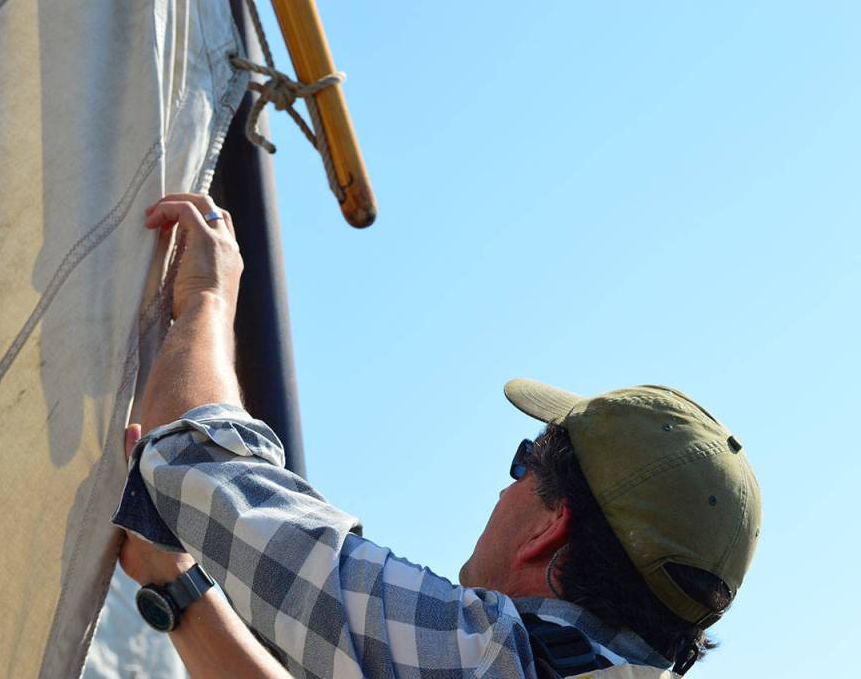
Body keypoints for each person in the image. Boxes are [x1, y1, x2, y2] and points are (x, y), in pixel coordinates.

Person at [112, 193, 762, 678]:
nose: (502, 493)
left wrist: (206, 296)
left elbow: (191, 466)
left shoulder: (492, 661)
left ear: (550, 527)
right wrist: (178, 590)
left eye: (523, 466)